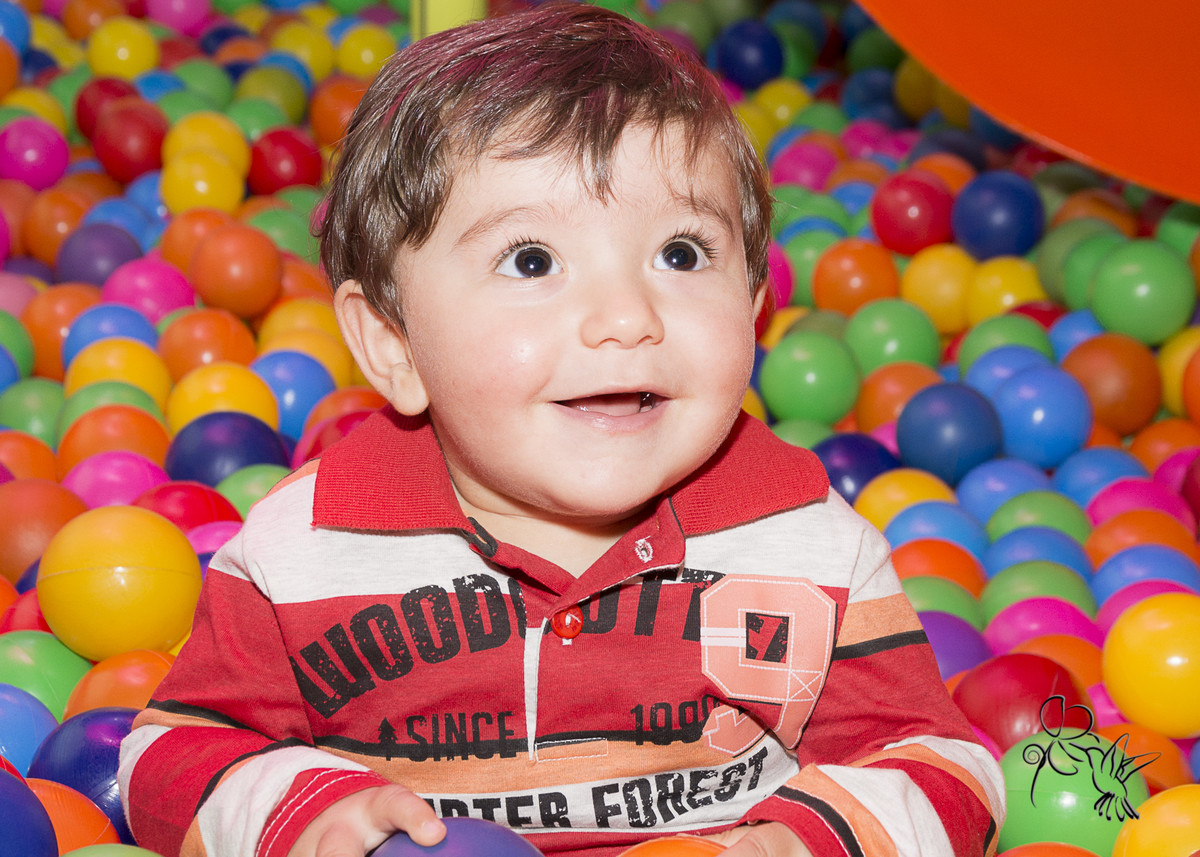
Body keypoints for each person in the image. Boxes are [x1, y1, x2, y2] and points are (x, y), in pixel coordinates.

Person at [119, 5, 1005, 856]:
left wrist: (804, 838)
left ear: (756, 302)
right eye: (532, 260)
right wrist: (303, 810)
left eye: (682, 253)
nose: (625, 316)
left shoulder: (809, 547)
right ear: (393, 345)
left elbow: (945, 767)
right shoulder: (305, 551)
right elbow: (169, 756)